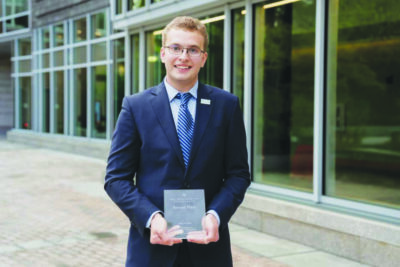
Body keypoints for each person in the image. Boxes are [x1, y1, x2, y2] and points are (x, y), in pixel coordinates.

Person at [104, 16, 250, 267]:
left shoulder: (226, 105)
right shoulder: (135, 107)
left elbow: (238, 174)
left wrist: (215, 216)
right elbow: (116, 179)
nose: (183, 56)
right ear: (163, 54)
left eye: (193, 50)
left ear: (203, 58)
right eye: (176, 48)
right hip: (152, 248)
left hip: (208, 250)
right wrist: (152, 218)